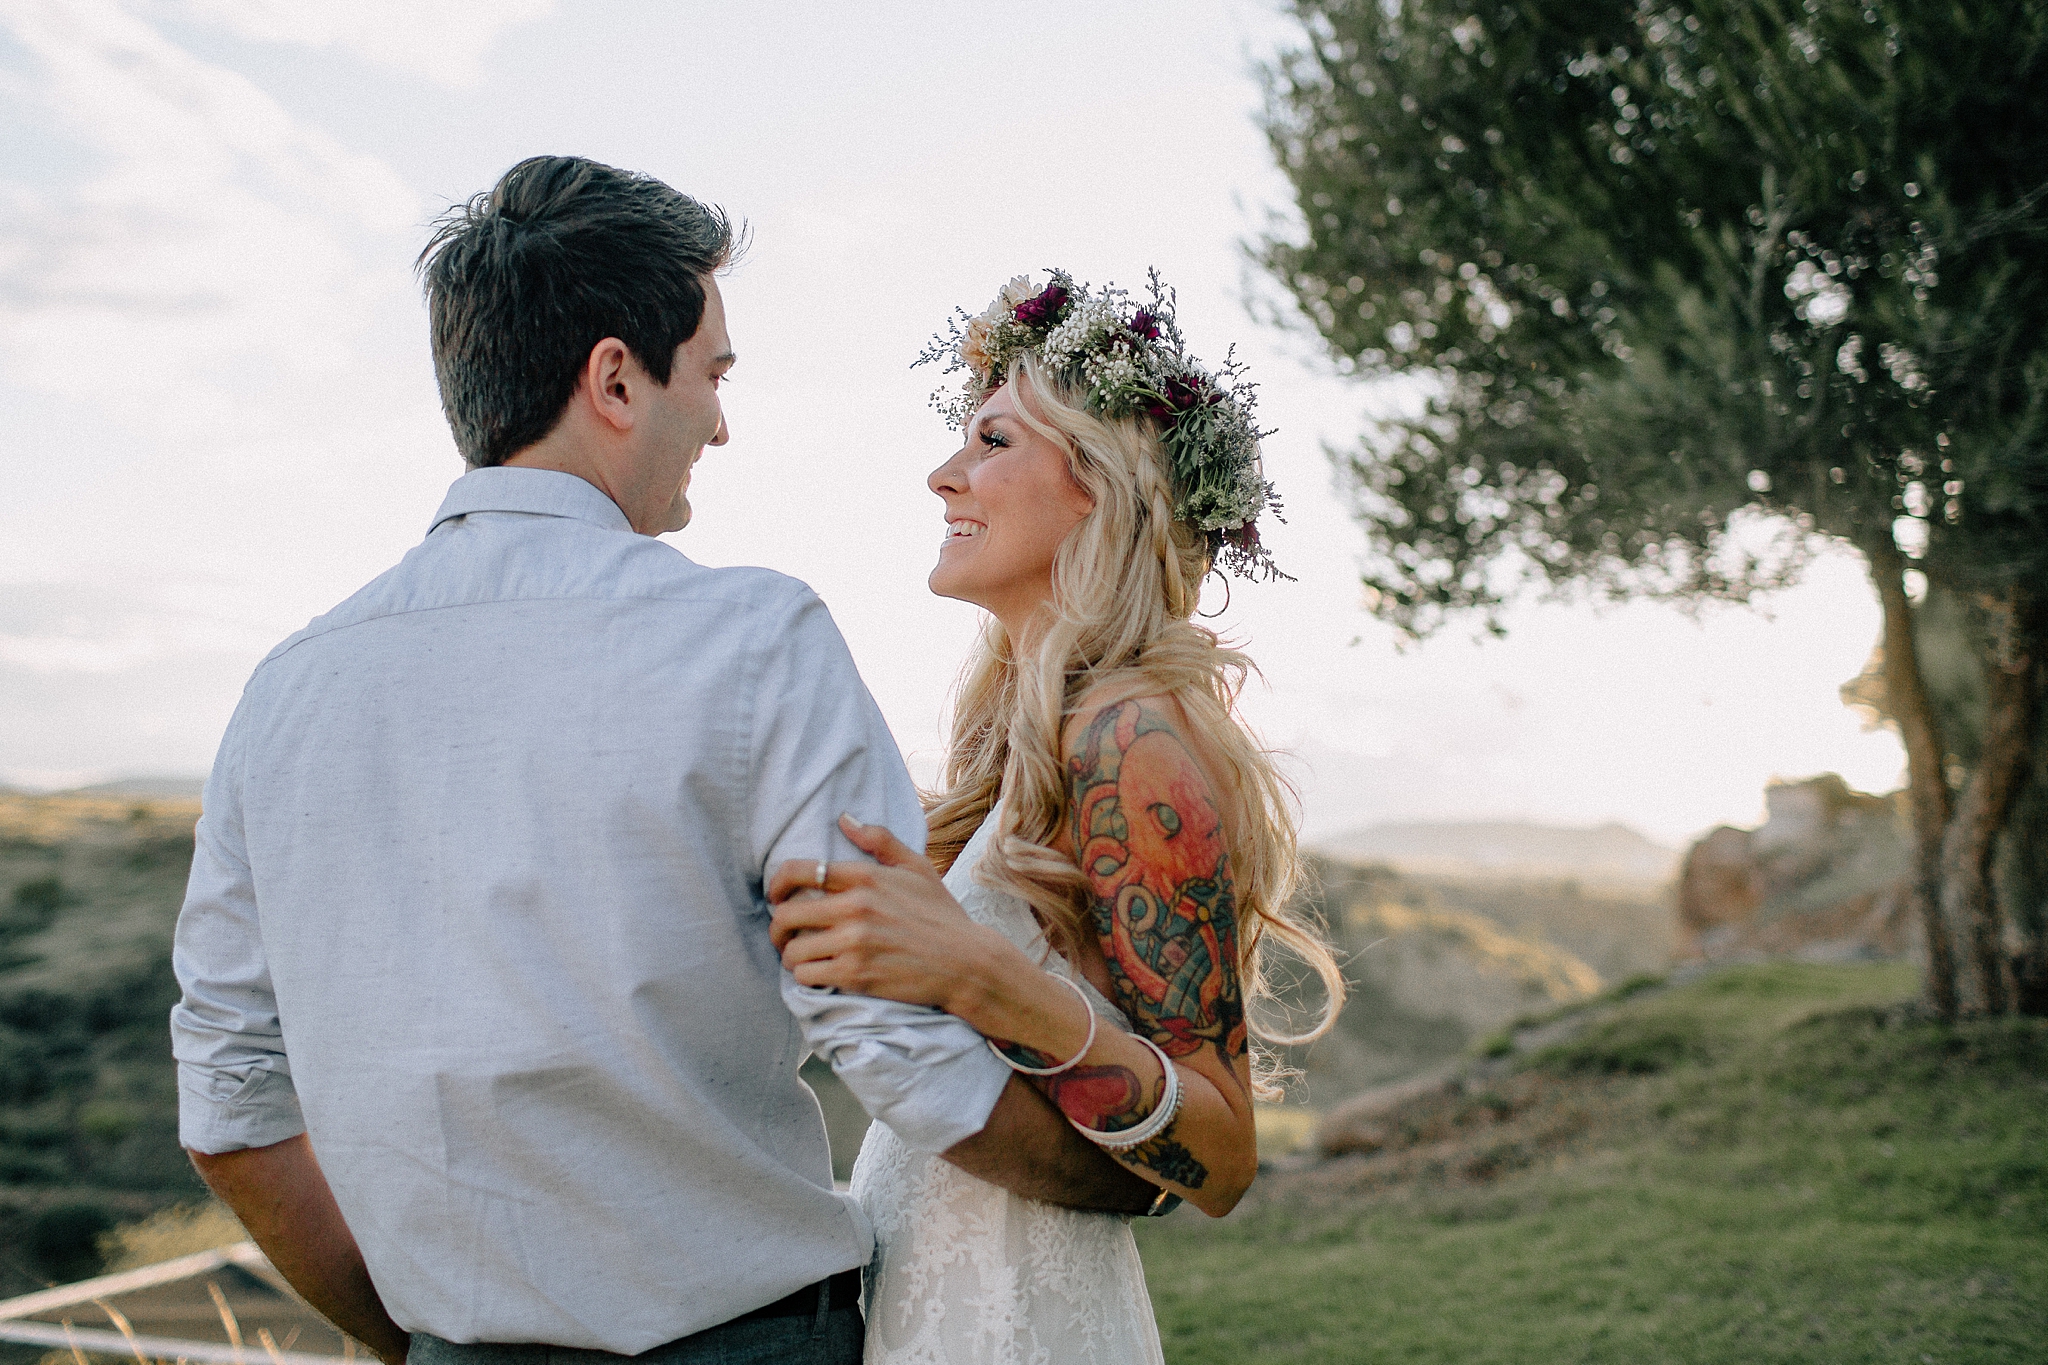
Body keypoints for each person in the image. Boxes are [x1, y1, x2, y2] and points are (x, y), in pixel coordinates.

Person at [169, 159, 1152, 1365]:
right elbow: (896, 1045)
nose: (721, 420)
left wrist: (423, 1343)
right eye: (713, 373)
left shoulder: (284, 692)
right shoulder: (750, 638)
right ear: (616, 379)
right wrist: (1121, 1180)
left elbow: (229, 1113)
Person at [767, 271, 1347, 1363]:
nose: (943, 476)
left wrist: (974, 977)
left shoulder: (1133, 736)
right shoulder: (1030, 726)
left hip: (1021, 1312)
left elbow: (1218, 1157)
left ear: (1095, 485)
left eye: (990, 441)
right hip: (924, 1266)